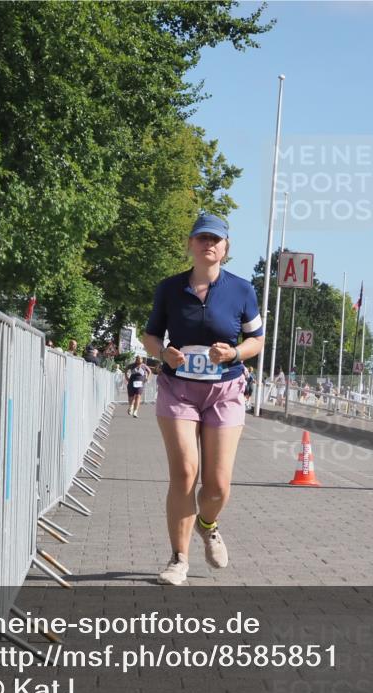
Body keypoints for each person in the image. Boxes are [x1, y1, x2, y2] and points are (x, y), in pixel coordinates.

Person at [142, 213, 265, 585]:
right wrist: (163, 354)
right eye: (201, 238)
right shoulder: (169, 288)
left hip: (225, 391)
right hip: (178, 389)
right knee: (184, 473)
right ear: (190, 244)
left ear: (226, 249)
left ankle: (208, 525)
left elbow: (257, 341)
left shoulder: (242, 290)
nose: (208, 244)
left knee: (216, 485)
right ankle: (179, 559)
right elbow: (150, 336)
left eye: (216, 240)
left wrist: (233, 354)